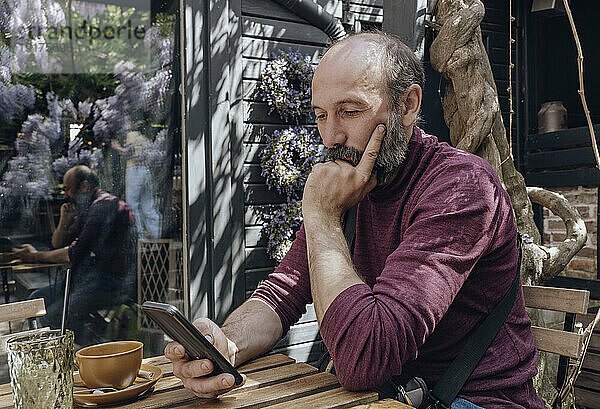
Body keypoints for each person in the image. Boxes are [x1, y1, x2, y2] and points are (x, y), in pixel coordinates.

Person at [164, 32, 545, 408]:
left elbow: (365, 360)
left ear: (408, 105)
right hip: (386, 396)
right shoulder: (351, 183)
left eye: (349, 111)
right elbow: (282, 294)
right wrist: (225, 345)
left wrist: (322, 219)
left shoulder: (462, 187)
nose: (330, 136)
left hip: (474, 399)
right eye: (320, 115)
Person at [13, 165, 137, 343]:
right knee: (36, 300)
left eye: (67, 188)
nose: (65, 195)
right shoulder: (90, 207)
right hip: (91, 278)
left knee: (54, 316)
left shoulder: (104, 206)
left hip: (113, 281)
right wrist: (64, 219)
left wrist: (34, 256)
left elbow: (74, 253)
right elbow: (58, 244)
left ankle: (103, 346)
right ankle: (97, 335)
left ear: (84, 186)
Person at [111, 116, 162, 240]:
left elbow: (130, 152)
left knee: (132, 205)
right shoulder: (144, 137)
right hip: (146, 171)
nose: (125, 124)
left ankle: (139, 238)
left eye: (127, 121)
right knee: (148, 206)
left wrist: (117, 147)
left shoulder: (131, 134)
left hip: (134, 170)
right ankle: (159, 236)